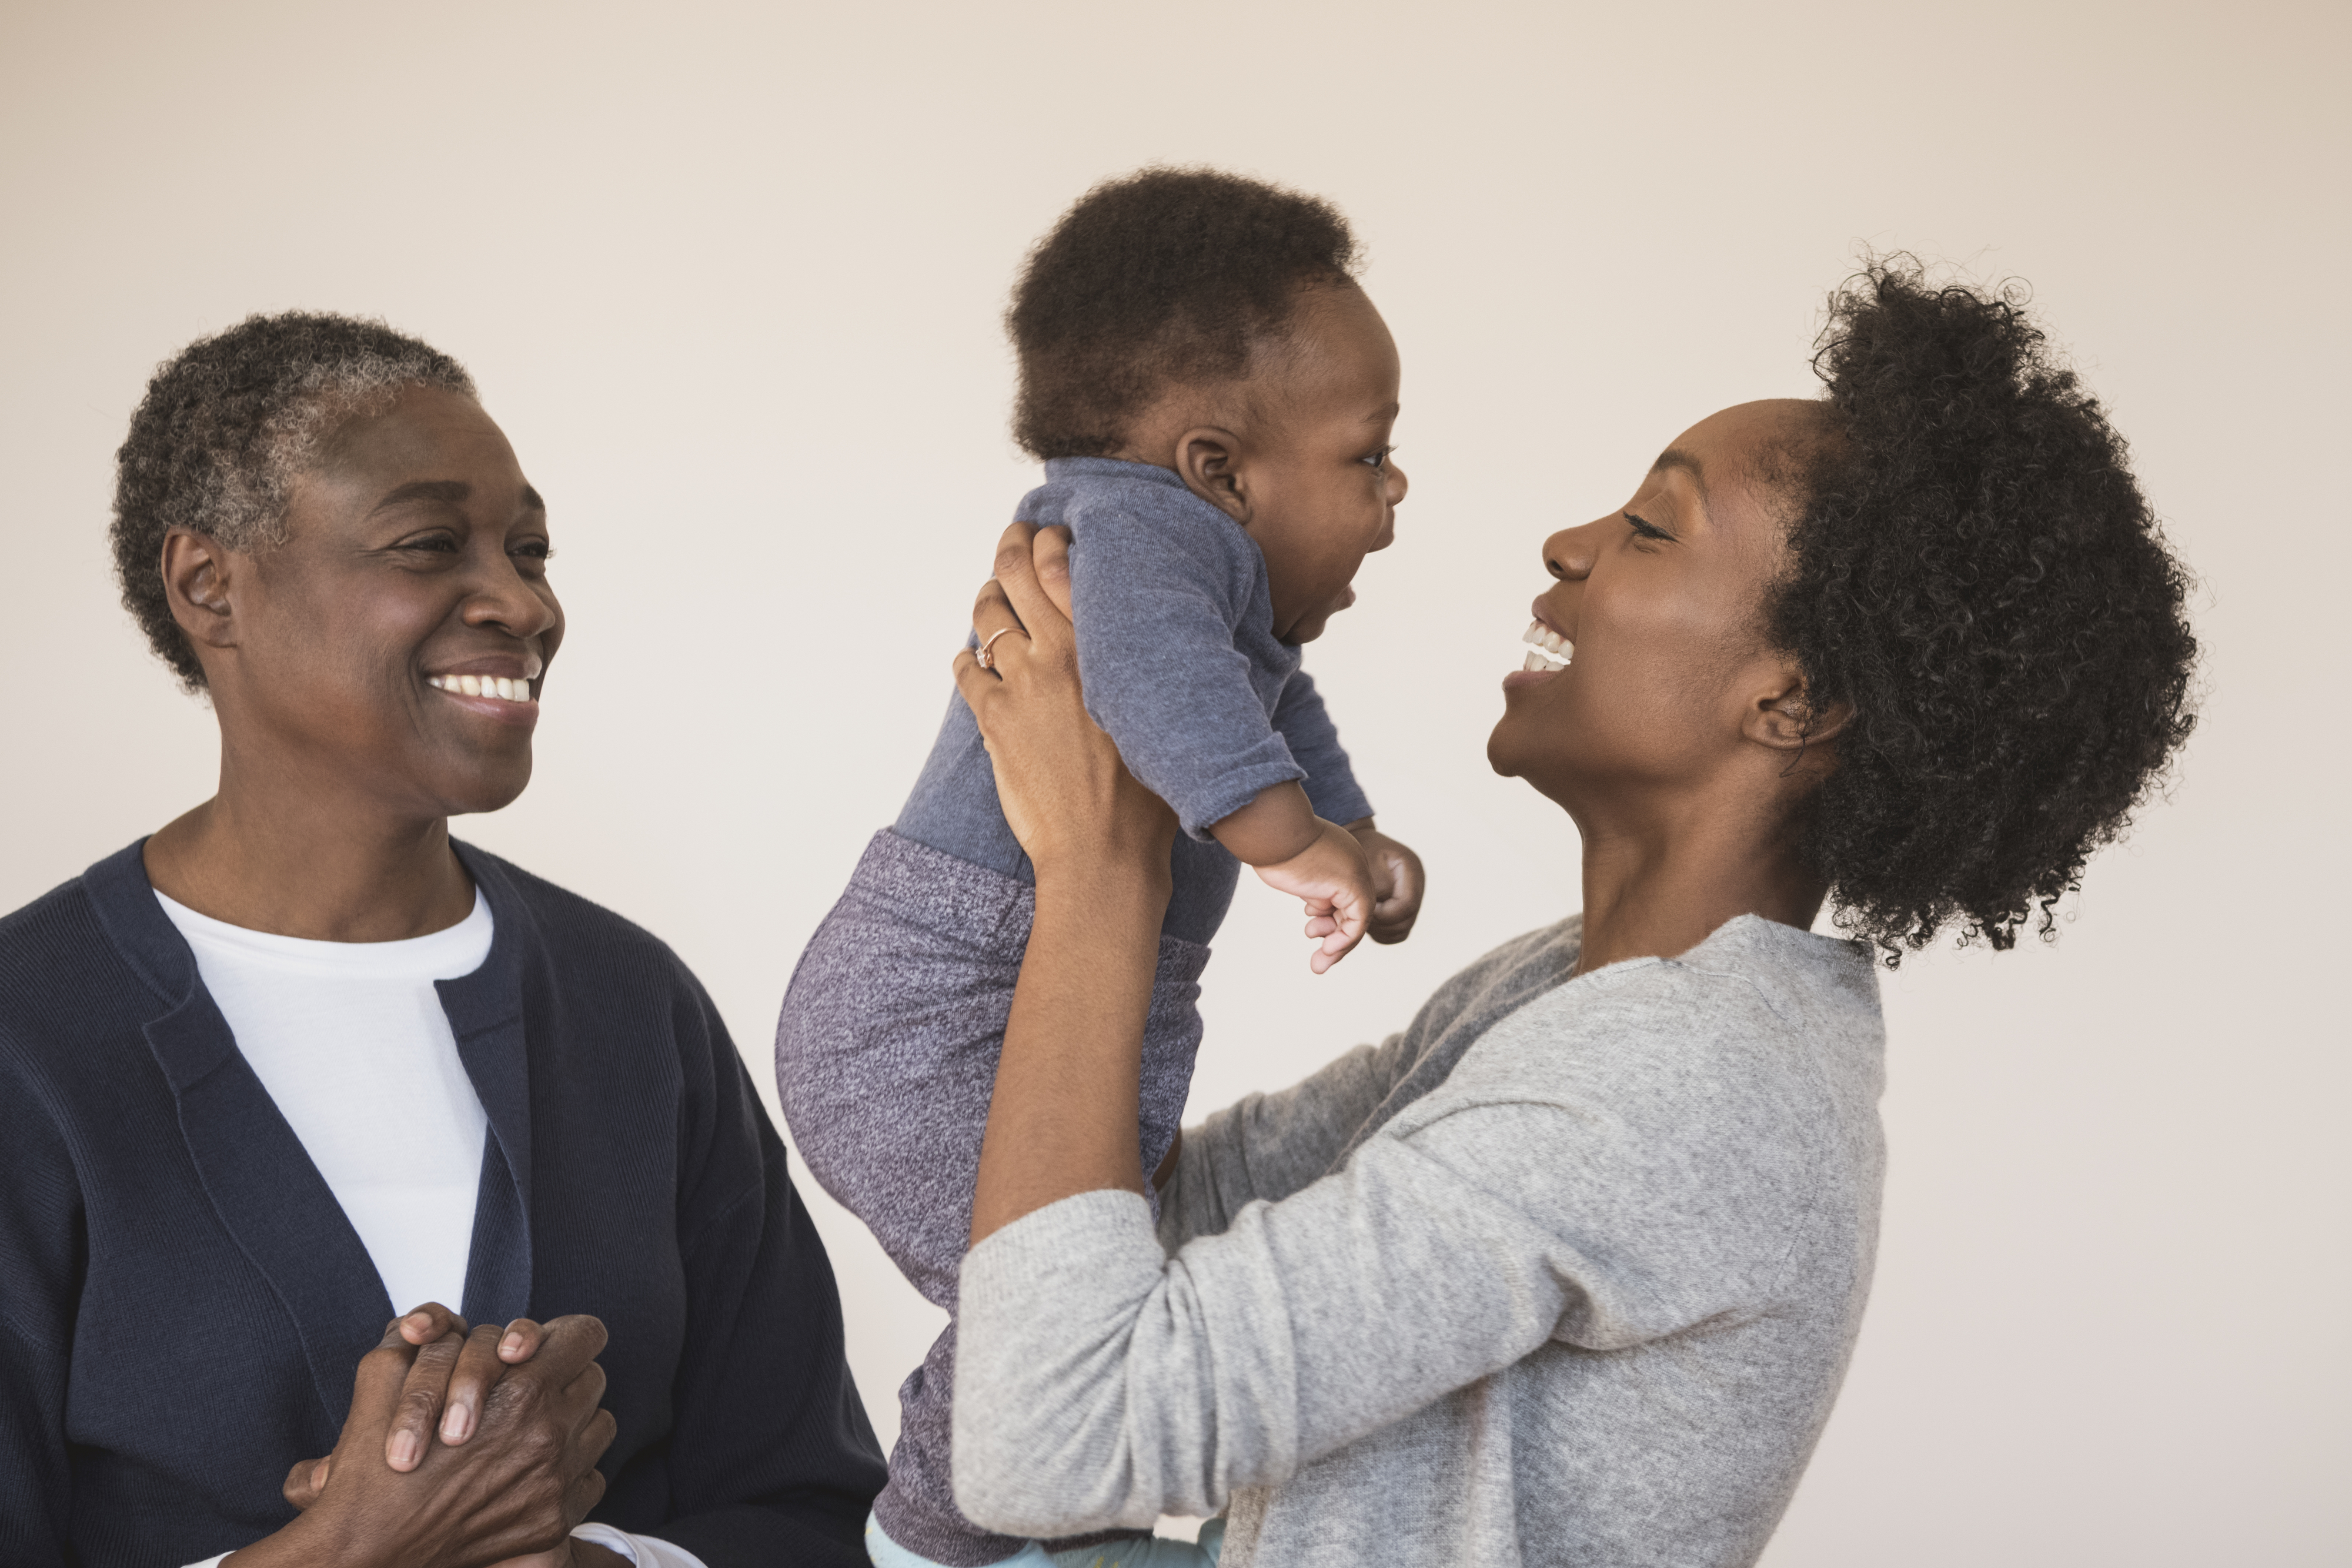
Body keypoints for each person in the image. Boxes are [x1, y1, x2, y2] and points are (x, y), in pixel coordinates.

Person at [938, 263, 2199, 1567]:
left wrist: (1100, 868)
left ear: (1792, 698)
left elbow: (1052, 1433)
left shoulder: (1676, 1083)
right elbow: (1162, 1212)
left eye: (1652, 528)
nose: (1569, 542)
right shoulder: (1575, 991)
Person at [0, 313, 885, 1568]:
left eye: (530, 549)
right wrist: (351, 1550)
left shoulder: (627, 1005)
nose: (521, 601)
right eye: (430, 545)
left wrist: (593, 1563)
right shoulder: (31, 1037)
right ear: (209, 584)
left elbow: (813, 1510)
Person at [773, 169, 1422, 1568]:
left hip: (1049, 1007)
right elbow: (1150, 683)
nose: (1394, 488)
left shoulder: (1211, 568)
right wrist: (1293, 846)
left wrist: (1351, 833)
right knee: (1062, 1315)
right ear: (1215, 466)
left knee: (1079, 1293)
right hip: (930, 1016)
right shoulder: (1132, 531)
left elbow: (1267, 710)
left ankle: (1024, 1522)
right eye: (1367, 453)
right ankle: (931, 1540)